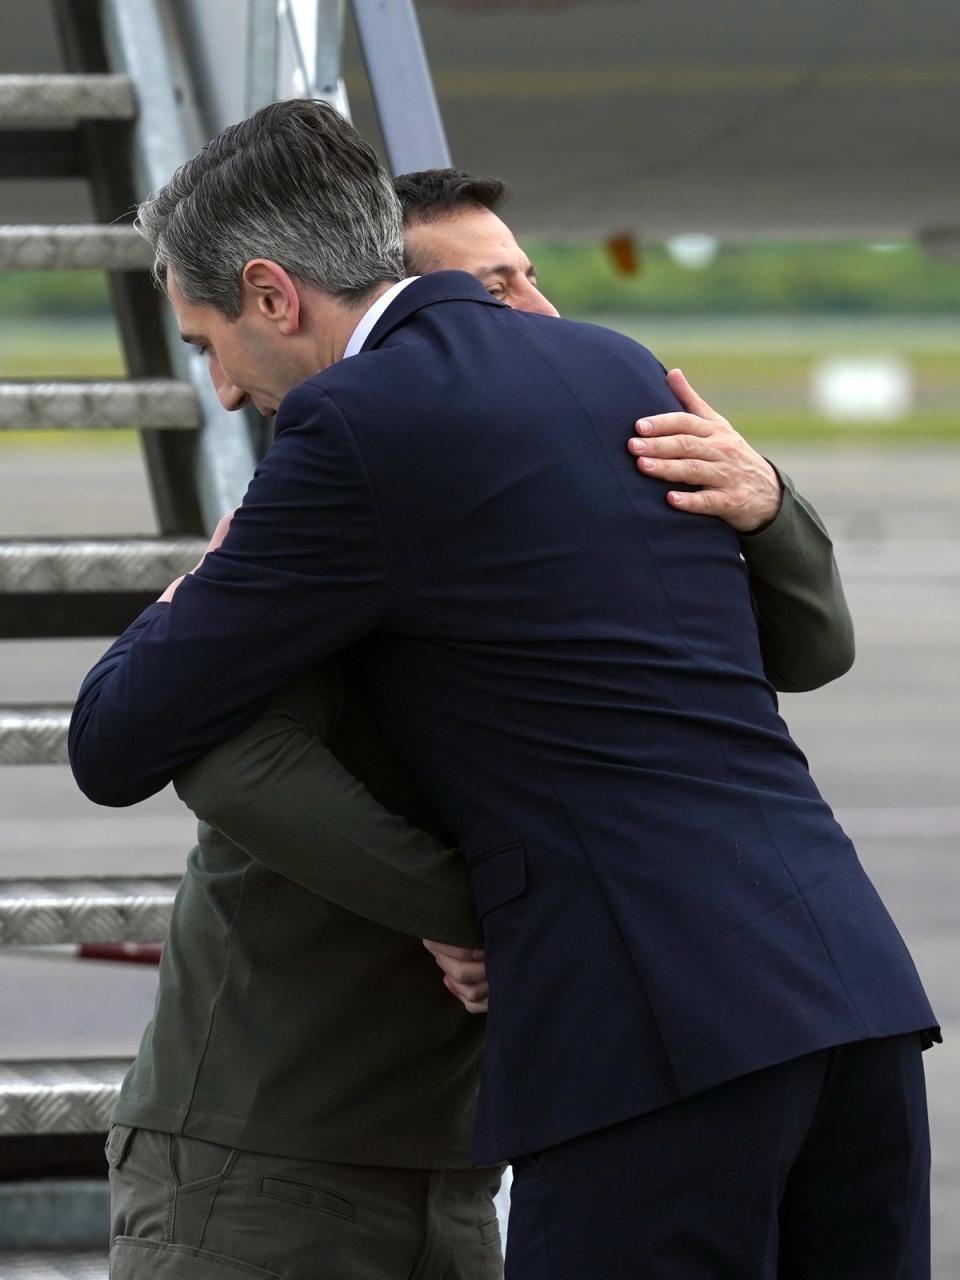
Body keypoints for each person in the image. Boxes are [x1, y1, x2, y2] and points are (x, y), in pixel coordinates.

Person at [69, 101, 937, 1279]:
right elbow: (782, 646)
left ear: (274, 294)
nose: (222, 389)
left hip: (651, 1026)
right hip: (846, 987)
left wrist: (194, 593)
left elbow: (117, 743)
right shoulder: (612, 366)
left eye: (208, 339)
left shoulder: (354, 427)